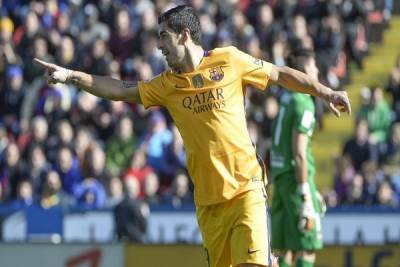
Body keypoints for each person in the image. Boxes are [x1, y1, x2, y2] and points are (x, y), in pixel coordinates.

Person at [34, 5, 350, 267]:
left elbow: (279, 74)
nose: (158, 45)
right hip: (209, 204)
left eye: (163, 37)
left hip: (246, 189)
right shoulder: (166, 84)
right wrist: (71, 76)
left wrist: (326, 92)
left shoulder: (230, 60)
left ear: (184, 35)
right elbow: (118, 89)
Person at [269, 50, 325, 267]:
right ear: (303, 73)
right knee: (307, 247)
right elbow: (299, 152)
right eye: (313, 67)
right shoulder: (303, 103)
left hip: (280, 180)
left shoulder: (286, 99)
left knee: (284, 251)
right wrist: (306, 193)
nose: (317, 71)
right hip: (295, 180)